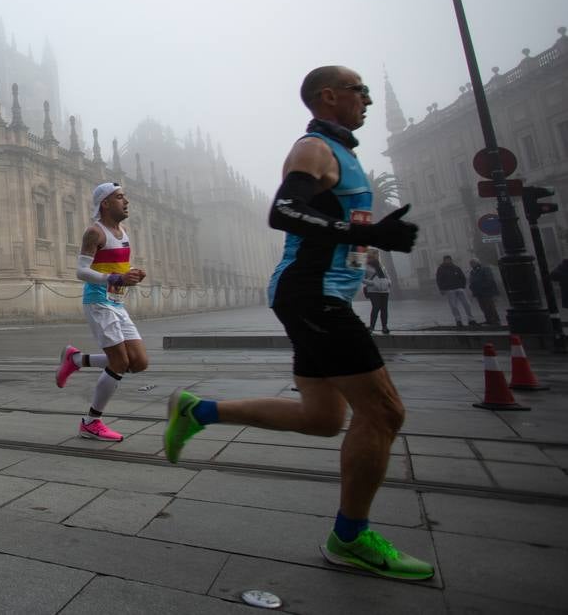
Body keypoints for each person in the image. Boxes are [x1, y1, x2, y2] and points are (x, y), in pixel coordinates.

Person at [163, 66, 431, 581]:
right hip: (314, 295)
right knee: (385, 413)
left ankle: (199, 411)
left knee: (323, 418)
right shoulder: (313, 149)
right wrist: (369, 231)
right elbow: (285, 212)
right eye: (360, 91)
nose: (368, 100)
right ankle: (349, 538)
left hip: (317, 295)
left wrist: (367, 235)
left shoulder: (343, 154)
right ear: (328, 97)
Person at [55, 182, 150, 441]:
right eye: (120, 197)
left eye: (125, 197)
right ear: (105, 203)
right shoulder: (94, 232)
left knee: (139, 362)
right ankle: (91, 422)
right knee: (119, 362)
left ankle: (76, 360)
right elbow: (81, 271)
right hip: (98, 302)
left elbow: (117, 266)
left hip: (117, 303)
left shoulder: (123, 231)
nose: (126, 201)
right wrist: (117, 279)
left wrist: (132, 274)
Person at [435, 255, 474, 328]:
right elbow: (439, 280)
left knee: (467, 304)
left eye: (449, 259)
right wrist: (442, 289)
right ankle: (458, 320)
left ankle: (471, 319)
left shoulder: (456, 268)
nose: (448, 261)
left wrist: (462, 286)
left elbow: (462, 277)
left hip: (459, 288)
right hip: (449, 290)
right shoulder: (440, 269)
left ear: (451, 260)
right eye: (446, 260)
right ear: (444, 261)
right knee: (453, 306)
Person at [362, 251, 390, 334]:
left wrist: (389, 282)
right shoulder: (365, 267)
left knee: (384, 309)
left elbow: (387, 276)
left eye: (377, 255)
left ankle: (384, 327)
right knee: (376, 307)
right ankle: (372, 327)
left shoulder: (381, 266)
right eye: (374, 255)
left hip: (385, 290)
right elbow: (361, 279)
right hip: (373, 291)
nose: (376, 256)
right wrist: (372, 283)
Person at [468, 259, 502, 327]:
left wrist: (481, 286)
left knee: (490, 306)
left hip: (486, 291)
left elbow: (489, 279)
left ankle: (495, 320)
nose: (472, 264)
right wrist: (472, 287)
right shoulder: (472, 272)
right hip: (478, 293)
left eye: (473, 263)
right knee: (483, 307)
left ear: (477, 262)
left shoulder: (485, 269)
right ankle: (489, 320)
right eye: (471, 263)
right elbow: (472, 281)